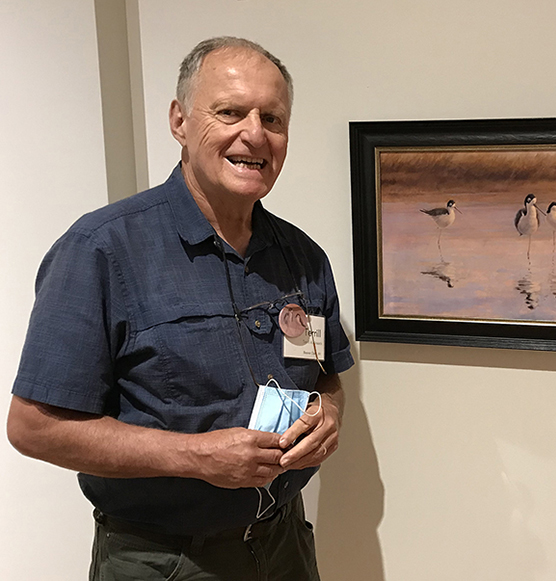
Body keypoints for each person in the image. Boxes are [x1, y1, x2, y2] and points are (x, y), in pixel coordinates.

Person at [6, 36, 353, 580]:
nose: (255, 134)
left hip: (284, 543)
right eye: (230, 112)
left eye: (274, 119)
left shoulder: (304, 258)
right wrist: (195, 457)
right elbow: (33, 428)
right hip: (162, 560)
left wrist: (329, 413)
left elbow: (326, 375)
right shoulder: (100, 249)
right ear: (179, 121)